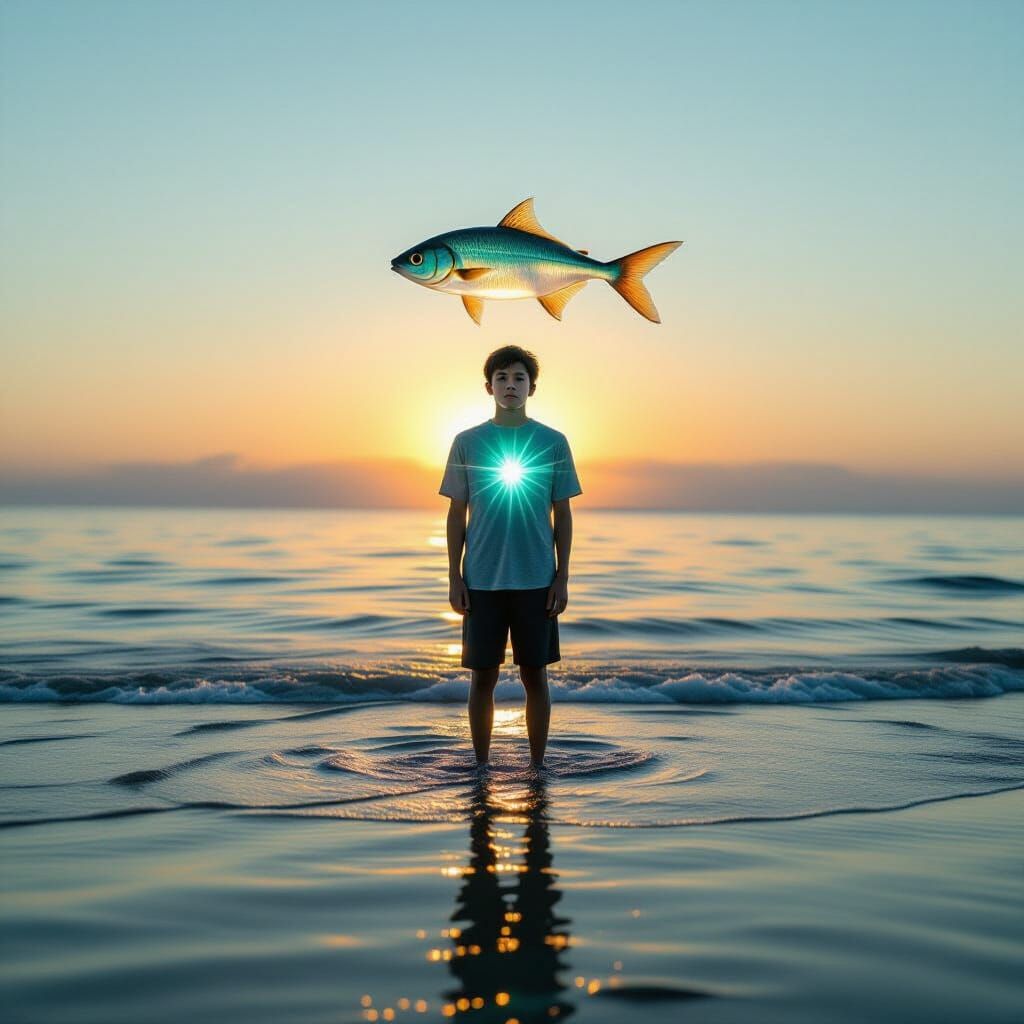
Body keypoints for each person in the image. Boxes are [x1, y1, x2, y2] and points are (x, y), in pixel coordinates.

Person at [439, 345, 582, 768]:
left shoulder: (552, 442)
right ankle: (481, 767)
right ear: (489, 387)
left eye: (519, 378)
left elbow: (563, 512)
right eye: (502, 378)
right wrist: (453, 576)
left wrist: (563, 577)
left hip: (537, 579)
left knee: (535, 675)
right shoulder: (467, 442)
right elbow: (455, 511)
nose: (510, 386)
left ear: (531, 387)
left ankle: (537, 768)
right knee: (482, 678)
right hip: (481, 580)